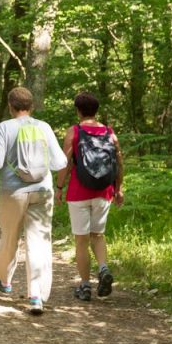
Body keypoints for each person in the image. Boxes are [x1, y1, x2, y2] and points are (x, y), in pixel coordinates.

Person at [0, 86, 67, 315]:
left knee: (10, 236)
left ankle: (3, 282)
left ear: (11, 106)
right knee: (39, 241)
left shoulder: (5, 127)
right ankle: (36, 296)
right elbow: (60, 162)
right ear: (31, 107)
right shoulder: (44, 127)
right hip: (43, 190)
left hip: (13, 192)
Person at [55, 91, 124, 301]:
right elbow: (119, 163)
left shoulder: (73, 132)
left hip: (78, 192)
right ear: (97, 110)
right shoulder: (110, 133)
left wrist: (59, 188)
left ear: (78, 110)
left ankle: (85, 287)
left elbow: (66, 163)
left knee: (81, 240)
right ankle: (103, 268)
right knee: (98, 235)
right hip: (104, 191)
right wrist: (119, 188)